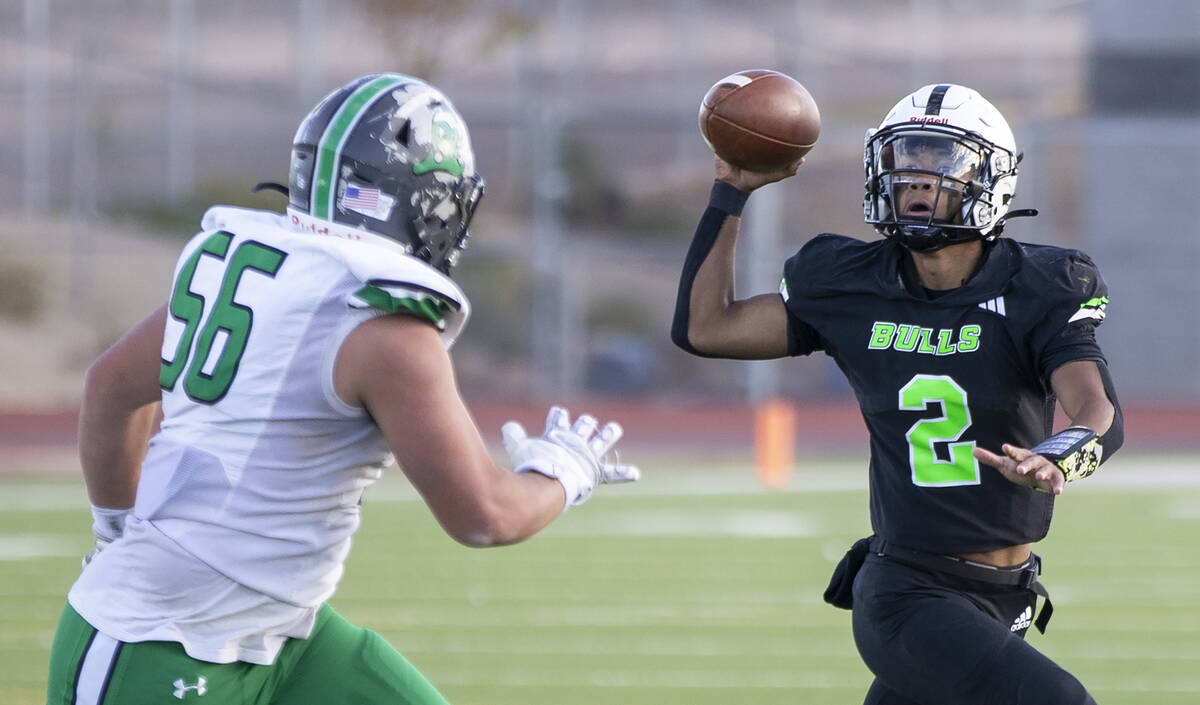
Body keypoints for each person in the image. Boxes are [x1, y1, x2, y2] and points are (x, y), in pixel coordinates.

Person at [45, 72, 639, 705]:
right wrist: (564, 473)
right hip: (158, 639)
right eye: (439, 201)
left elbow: (110, 387)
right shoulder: (383, 326)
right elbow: (485, 516)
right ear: (402, 198)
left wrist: (115, 529)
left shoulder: (247, 262)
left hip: (284, 633)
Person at [671, 83, 1123, 705]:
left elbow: (1097, 410)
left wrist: (1059, 453)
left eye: (940, 160)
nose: (915, 177)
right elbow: (706, 327)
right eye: (904, 156)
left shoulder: (1039, 286)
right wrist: (732, 191)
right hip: (907, 590)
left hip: (1004, 593)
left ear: (991, 176)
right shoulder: (850, 283)